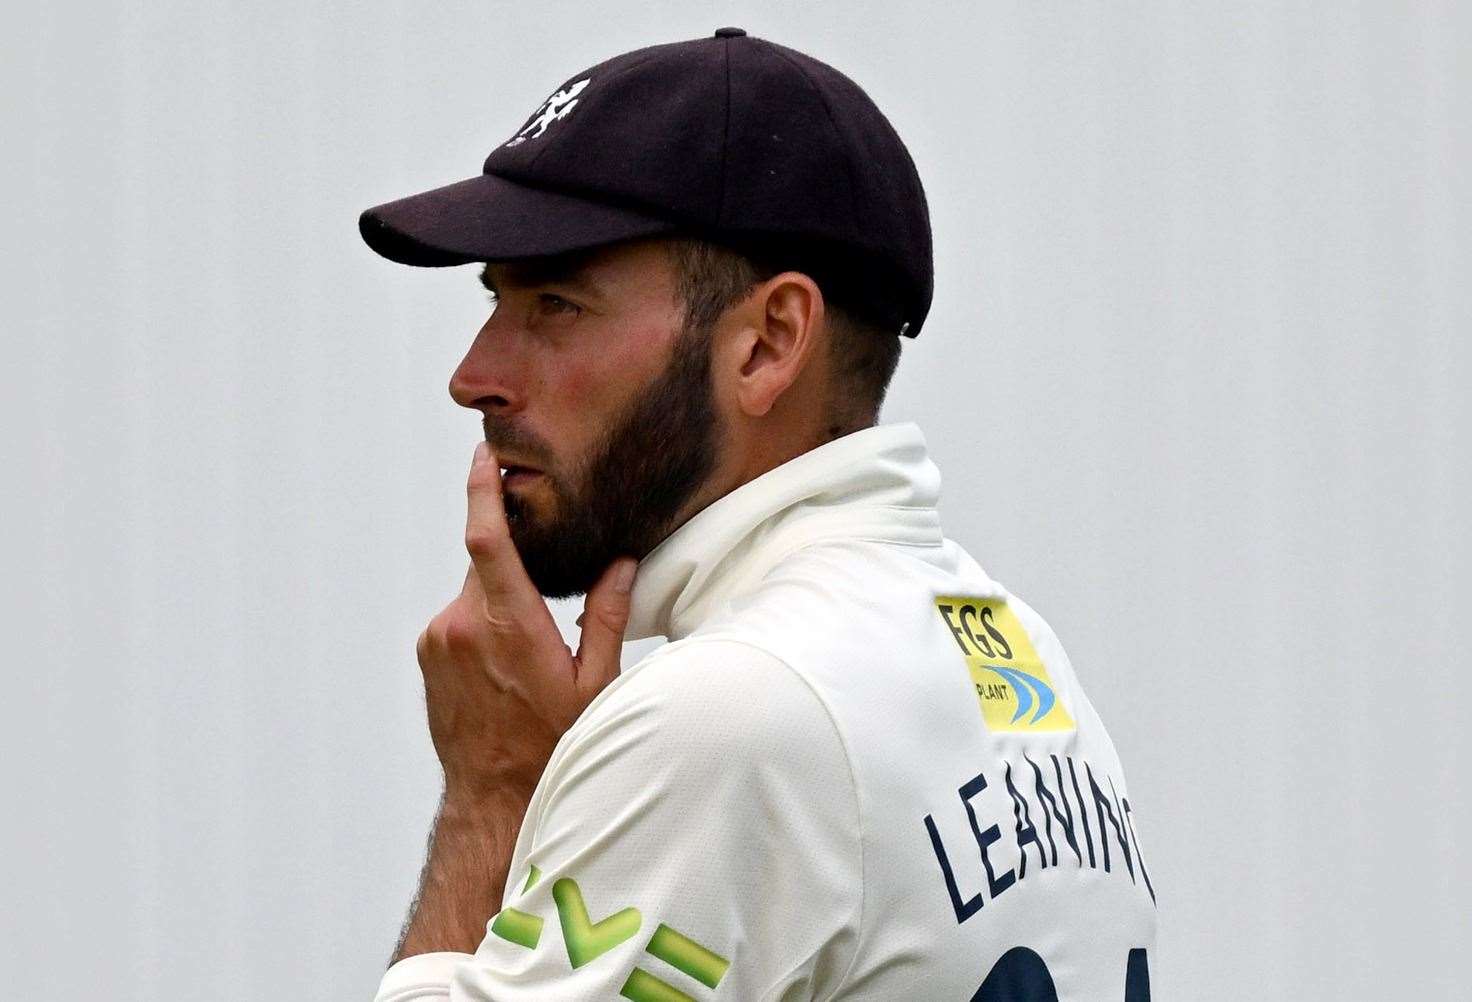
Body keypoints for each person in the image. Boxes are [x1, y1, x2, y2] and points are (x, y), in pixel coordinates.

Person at [357, 28, 1157, 1002]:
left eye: (556, 304)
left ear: (767, 344)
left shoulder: (728, 717)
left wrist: (494, 795)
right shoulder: (1012, 648)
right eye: (494, 300)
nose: (472, 377)